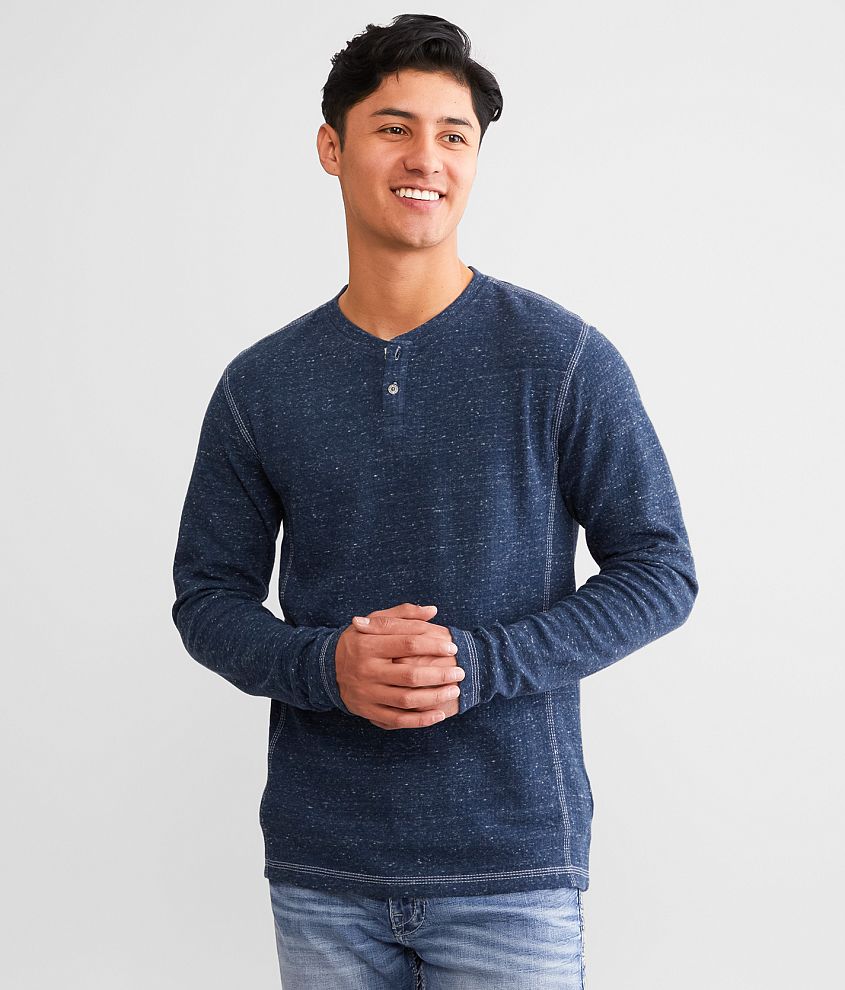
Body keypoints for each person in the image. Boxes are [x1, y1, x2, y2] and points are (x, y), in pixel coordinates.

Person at [171, 12, 698, 989]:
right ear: (331, 147)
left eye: (453, 135)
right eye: (393, 127)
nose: (426, 157)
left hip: (512, 865)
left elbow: (659, 570)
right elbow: (205, 597)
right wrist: (325, 665)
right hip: (323, 867)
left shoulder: (559, 358)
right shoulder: (262, 384)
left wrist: (480, 661)